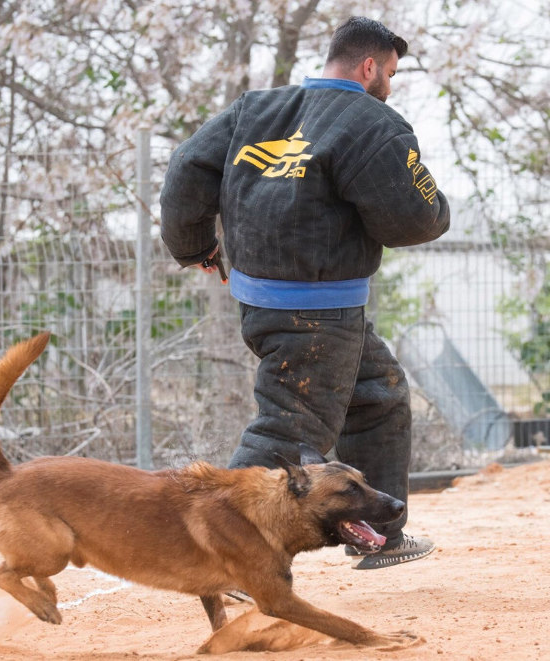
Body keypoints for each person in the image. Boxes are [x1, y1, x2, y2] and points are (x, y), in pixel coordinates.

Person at [160, 16, 450, 569]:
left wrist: (195, 246)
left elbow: (184, 167)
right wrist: (436, 210)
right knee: (287, 432)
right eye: (389, 73)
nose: (390, 84)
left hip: (270, 303)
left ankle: (381, 534)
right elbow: (412, 220)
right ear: (369, 67)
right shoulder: (372, 124)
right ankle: (227, 559)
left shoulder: (255, 109)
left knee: (380, 396)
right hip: (318, 313)